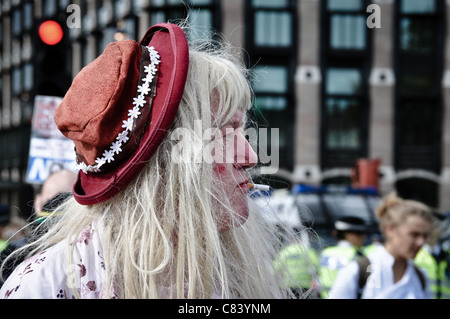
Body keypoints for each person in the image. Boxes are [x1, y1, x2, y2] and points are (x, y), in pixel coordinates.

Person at [0, 22, 298, 299]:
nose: (251, 157)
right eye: (225, 134)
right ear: (165, 160)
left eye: (242, 132)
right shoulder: (48, 285)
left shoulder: (236, 277)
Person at [328, 192, 434, 299]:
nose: (421, 242)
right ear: (390, 230)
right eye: (414, 234)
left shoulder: (420, 277)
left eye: (425, 236)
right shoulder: (358, 271)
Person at [317, 215, 368, 298]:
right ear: (353, 236)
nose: (364, 238)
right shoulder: (359, 255)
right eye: (362, 235)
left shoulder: (326, 252)